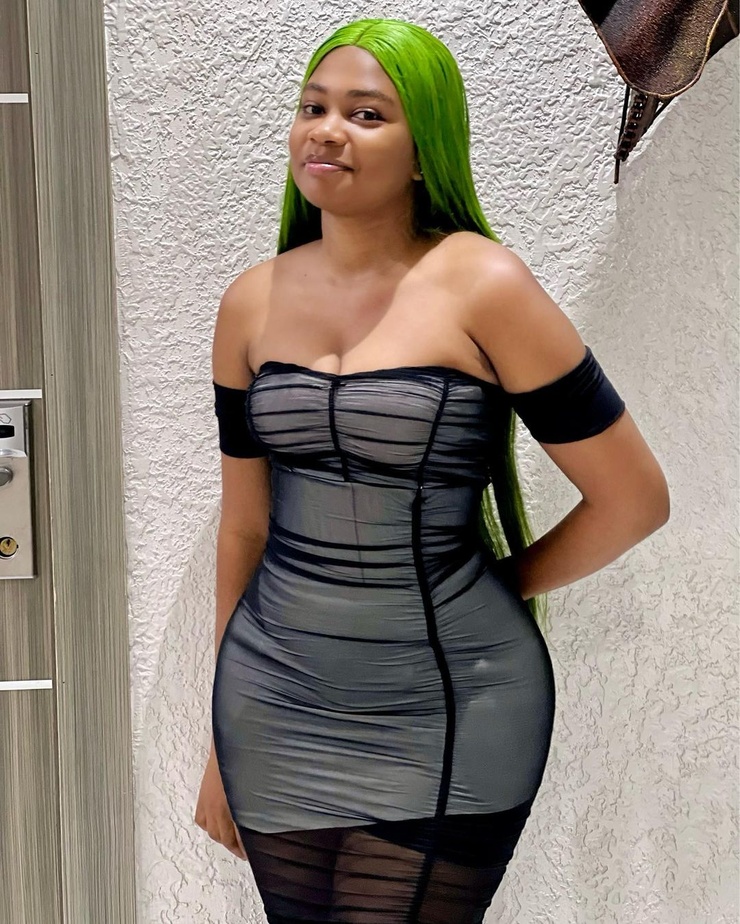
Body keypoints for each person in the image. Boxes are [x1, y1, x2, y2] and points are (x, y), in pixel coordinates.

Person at [195, 18, 670, 923]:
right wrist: (221, 736)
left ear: (425, 152)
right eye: (313, 107)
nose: (328, 131)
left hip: (449, 702)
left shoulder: (484, 286)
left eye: (367, 114)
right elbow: (245, 526)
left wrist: (490, 587)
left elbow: (633, 498)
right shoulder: (249, 303)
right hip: (274, 700)